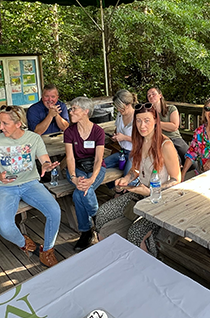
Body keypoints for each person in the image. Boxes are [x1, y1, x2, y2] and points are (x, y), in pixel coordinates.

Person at [96, 102, 181, 256]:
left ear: (156, 121)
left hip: (160, 200)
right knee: (102, 214)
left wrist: (151, 191)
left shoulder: (165, 144)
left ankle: (147, 265)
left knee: (135, 233)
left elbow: (176, 179)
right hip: (140, 194)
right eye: (139, 120)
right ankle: (112, 257)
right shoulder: (139, 141)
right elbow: (135, 169)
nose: (142, 125)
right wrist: (126, 179)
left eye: (147, 120)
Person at [0, 105, 61, 267]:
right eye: (0, 123)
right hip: (6, 188)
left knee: (54, 211)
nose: (0, 127)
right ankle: (25, 243)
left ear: (18, 123)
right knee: (4, 228)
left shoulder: (33, 138)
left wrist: (46, 166)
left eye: (5, 123)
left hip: (30, 184)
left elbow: (44, 159)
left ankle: (47, 251)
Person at [64, 96, 107, 251]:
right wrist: (74, 178)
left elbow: (98, 159)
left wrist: (92, 179)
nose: (70, 111)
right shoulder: (69, 131)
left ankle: (86, 232)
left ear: (85, 111)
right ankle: (100, 220)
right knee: (82, 191)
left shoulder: (98, 131)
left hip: (95, 169)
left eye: (74, 108)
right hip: (77, 168)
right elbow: (69, 158)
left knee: (78, 194)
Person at [147, 86, 188, 163]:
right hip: (161, 141)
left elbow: (174, 126)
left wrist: (156, 122)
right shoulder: (148, 113)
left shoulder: (171, 108)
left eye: (153, 94)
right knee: (175, 160)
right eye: (149, 95)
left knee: (191, 159)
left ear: (160, 95)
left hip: (176, 138)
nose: (151, 96)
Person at [103, 89, 136, 176]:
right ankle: (114, 188)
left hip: (135, 153)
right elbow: (117, 130)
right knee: (100, 166)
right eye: (117, 107)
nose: (118, 109)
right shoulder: (120, 115)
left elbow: (144, 140)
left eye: (120, 107)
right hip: (122, 152)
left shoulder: (138, 117)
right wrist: (115, 136)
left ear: (128, 104)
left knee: (127, 177)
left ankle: (127, 188)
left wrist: (124, 138)